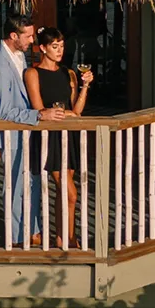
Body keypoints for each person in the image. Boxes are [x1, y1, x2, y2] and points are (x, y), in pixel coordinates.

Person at [0, 13, 64, 244]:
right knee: (15, 184)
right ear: (13, 35)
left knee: (31, 179)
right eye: (28, 36)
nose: (33, 40)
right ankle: (17, 236)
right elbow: (3, 110)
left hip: (25, 129)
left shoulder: (18, 56)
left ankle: (32, 230)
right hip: (11, 131)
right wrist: (39, 114)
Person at [21, 27, 92, 244]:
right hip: (48, 136)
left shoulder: (68, 73)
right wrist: (60, 113)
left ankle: (63, 238)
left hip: (67, 134)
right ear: (42, 48)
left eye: (61, 46)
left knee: (64, 191)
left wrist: (85, 86)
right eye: (54, 46)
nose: (59, 51)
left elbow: (77, 111)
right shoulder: (32, 73)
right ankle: (69, 238)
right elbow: (39, 109)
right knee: (70, 193)